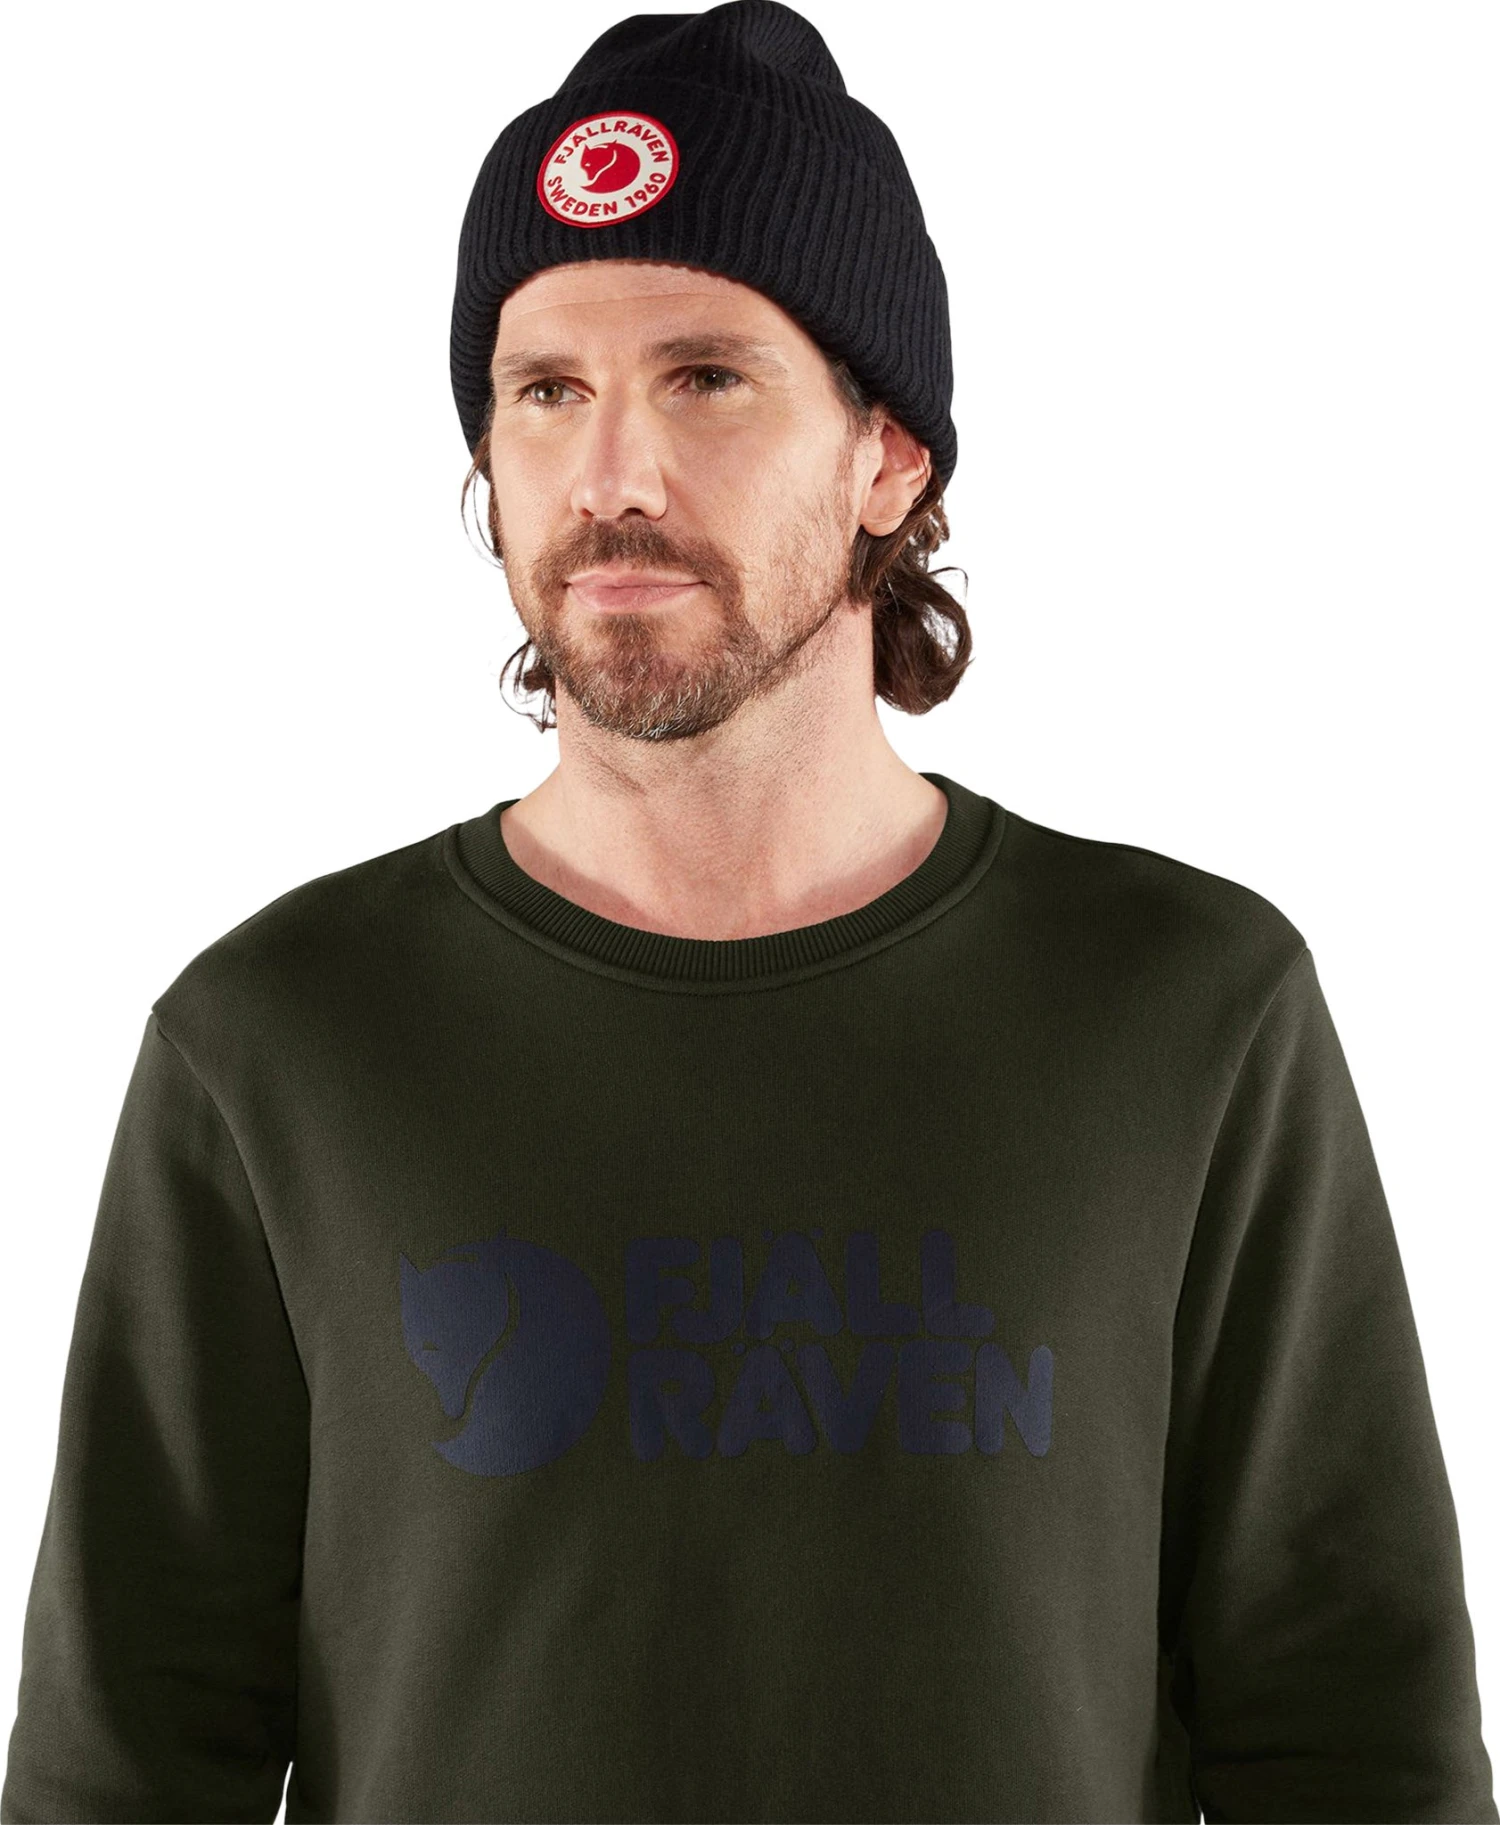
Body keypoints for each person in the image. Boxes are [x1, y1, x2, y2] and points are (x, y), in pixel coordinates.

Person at [2, 3, 1494, 1821]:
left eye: (706, 376)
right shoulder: (277, 1043)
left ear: (890, 456)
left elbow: (1357, 1743)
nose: (611, 475)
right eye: (546, 391)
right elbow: (119, 1774)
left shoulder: (1186, 1010)